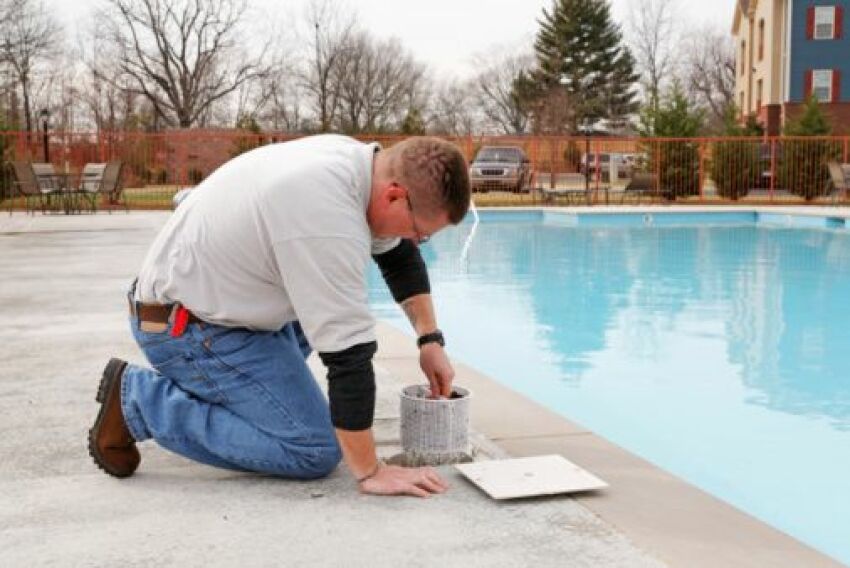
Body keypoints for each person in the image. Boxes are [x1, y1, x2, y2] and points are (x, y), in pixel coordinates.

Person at [87, 135, 471, 498]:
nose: (418, 242)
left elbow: (398, 256)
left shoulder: (356, 167)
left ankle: (228, 391)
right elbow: (348, 358)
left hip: (224, 306)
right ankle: (141, 402)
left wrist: (429, 339)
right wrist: (371, 471)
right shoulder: (324, 218)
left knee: (340, 306)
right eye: (421, 233)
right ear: (394, 195)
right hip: (186, 330)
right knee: (314, 447)